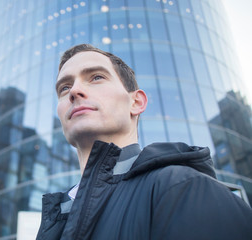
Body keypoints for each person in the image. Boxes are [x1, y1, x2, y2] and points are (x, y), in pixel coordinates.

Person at [36, 44, 252, 240]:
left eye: (96, 77)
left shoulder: (185, 187)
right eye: (64, 88)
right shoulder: (55, 216)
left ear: (136, 102)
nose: (74, 91)